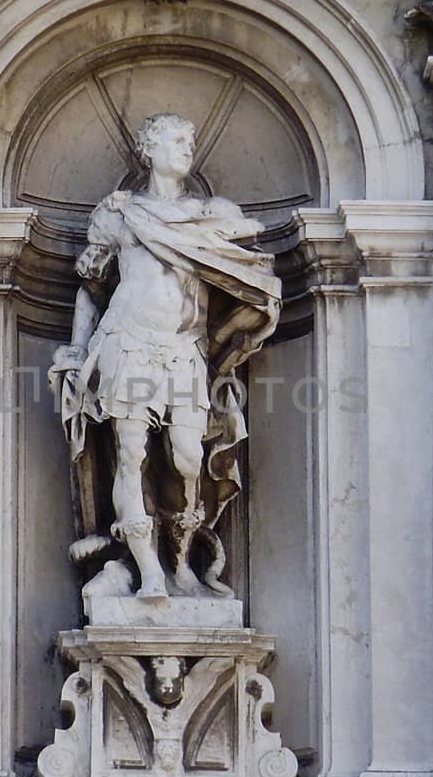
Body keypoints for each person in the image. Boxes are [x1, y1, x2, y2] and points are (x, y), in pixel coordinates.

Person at [51, 113, 280, 600]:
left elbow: (252, 259)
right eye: (176, 139)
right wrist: (76, 348)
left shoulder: (211, 213)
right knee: (130, 454)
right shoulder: (118, 213)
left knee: (189, 459)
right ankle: (149, 572)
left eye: (191, 141)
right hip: (128, 343)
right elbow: (91, 289)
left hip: (183, 350)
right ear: (148, 150)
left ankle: (180, 565)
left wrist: (223, 232)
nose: (186, 147)